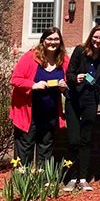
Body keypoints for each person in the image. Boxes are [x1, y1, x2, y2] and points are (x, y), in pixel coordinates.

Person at [10, 27, 69, 165]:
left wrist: (64, 86)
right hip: (29, 113)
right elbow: (15, 79)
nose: (52, 42)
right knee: (25, 149)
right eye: (49, 39)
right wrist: (33, 85)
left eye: (56, 39)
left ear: (60, 41)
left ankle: (42, 183)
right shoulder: (31, 57)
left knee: (45, 148)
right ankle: (23, 183)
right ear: (43, 40)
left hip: (50, 114)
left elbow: (69, 80)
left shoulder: (64, 59)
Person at [63, 25, 100, 192]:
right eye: (96, 37)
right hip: (74, 99)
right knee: (73, 140)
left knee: (86, 139)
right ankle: (71, 177)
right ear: (91, 37)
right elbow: (69, 74)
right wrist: (77, 78)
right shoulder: (80, 51)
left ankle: (82, 178)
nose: (98, 41)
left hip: (91, 100)